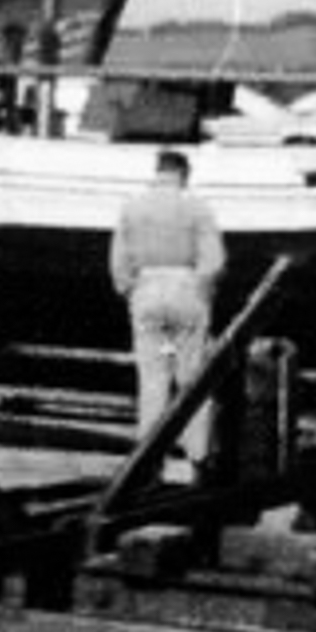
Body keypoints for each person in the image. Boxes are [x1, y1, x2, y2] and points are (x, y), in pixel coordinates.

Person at [110, 147, 225, 480]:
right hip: (186, 289)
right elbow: (214, 261)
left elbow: (119, 262)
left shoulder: (132, 207)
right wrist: (202, 291)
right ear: (184, 174)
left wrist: (131, 290)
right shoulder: (197, 206)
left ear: (157, 171)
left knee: (153, 380)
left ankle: (149, 463)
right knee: (192, 380)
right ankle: (197, 460)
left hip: (147, 290)